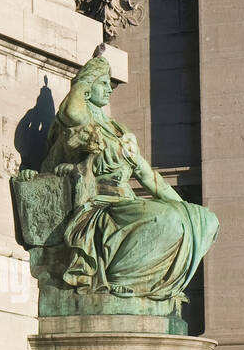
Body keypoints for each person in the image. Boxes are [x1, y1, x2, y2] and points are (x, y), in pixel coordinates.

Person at [18, 50, 217, 301]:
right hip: (98, 207)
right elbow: (71, 110)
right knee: (165, 219)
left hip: (126, 202)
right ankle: (118, 279)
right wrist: (86, 78)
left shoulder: (119, 131)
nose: (110, 89)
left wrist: (183, 205)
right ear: (87, 88)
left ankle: (142, 283)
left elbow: (147, 177)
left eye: (110, 83)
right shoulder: (80, 125)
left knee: (204, 220)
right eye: (103, 83)